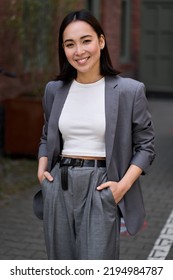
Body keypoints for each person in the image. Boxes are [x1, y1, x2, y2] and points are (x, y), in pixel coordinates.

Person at [36, 9, 155, 260]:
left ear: (101, 41)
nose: (79, 51)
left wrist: (121, 187)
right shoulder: (54, 90)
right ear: (63, 49)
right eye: (70, 44)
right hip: (58, 184)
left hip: (102, 185)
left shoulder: (128, 91)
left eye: (86, 40)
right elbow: (47, 136)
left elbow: (146, 146)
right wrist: (42, 168)